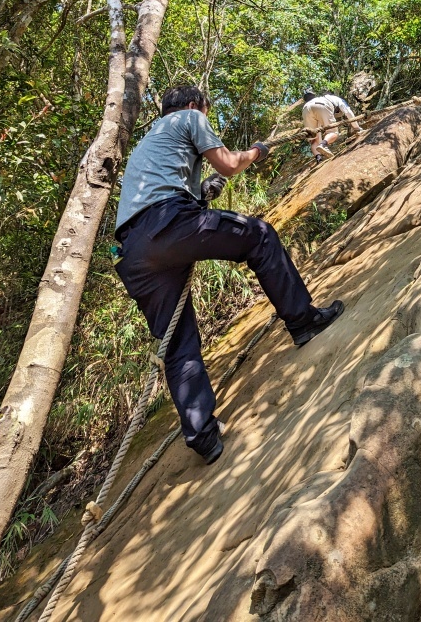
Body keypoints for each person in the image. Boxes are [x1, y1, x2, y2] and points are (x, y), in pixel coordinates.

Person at [113, 85, 344, 465]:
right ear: (192, 107)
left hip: (134, 251)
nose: (205, 117)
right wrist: (257, 152)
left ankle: (203, 436)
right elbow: (231, 164)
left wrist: (201, 191)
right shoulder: (188, 118)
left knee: (178, 340)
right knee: (260, 235)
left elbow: (165, 190)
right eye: (206, 111)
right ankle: (303, 322)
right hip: (168, 225)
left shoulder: (148, 142)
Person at [301, 90, 364, 162]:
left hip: (305, 110)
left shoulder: (313, 101)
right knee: (333, 132)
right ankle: (323, 145)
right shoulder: (338, 99)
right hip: (321, 105)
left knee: (313, 137)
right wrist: (357, 129)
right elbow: (348, 112)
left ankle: (319, 158)